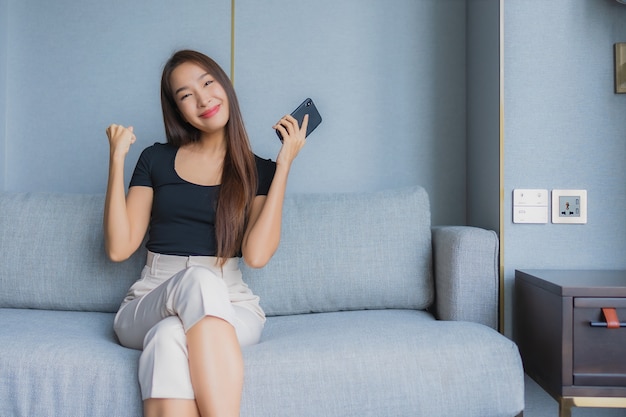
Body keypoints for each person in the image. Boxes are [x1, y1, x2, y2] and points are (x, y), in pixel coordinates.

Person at [104, 49, 308, 417]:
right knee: (195, 282)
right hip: (152, 296)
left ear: (225, 87)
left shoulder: (258, 171)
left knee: (167, 338)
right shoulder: (155, 159)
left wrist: (283, 168)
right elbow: (119, 248)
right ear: (176, 109)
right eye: (185, 95)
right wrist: (116, 159)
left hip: (232, 304)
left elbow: (258, 256)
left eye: (208, 83)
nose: (202, 99)